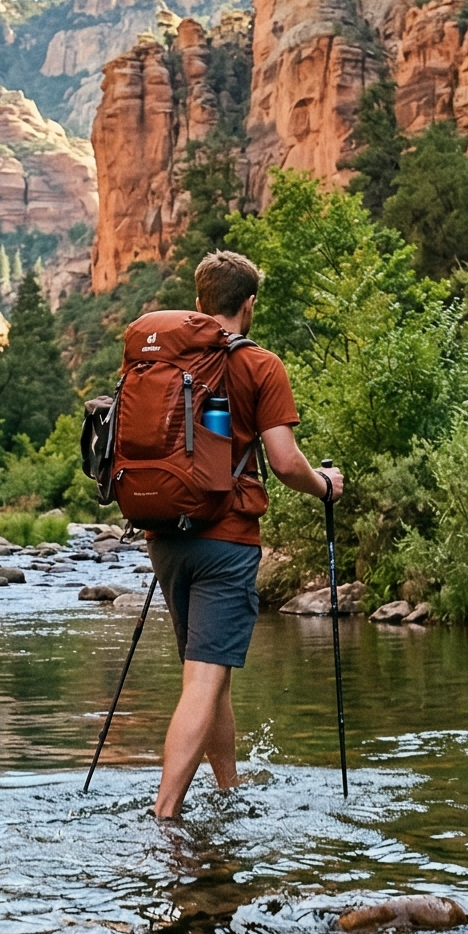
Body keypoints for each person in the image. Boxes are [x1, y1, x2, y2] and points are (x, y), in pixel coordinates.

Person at [150, 250, 342, 820]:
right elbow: (284, 462)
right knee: (205, 682)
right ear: (249, 303)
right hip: (225, 540)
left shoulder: (165, 363)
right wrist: (326, 486)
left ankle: (228, 789)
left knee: (210, 676)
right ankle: (165, 815)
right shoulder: (260, 364)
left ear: (202, 302)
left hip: (166, 537)